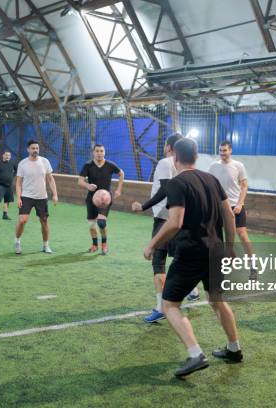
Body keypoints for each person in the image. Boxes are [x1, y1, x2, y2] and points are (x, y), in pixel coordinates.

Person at [144, 138, 243, 378]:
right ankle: (234, 349)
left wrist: (152, 245)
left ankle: (195, 353)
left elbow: (175, 222)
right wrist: (230, 246)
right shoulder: (212, 180)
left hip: (190, 252)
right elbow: (229, 215)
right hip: (216, 249)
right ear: (196, 157)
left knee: (170, 304)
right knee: (217, 300)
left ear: (175, 158)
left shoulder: (177, 183)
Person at [132, 134, 181, 323]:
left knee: (158, 263)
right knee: (179, 260)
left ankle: (161, 307)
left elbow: (165, 190)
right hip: (180, 219)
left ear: (168, 147)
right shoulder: (184, 165)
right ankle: (191, 292)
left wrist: (142, 206)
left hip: (163, 219)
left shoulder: (165, 162)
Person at [208, 141, 255, 275]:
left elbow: (244, 186)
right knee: (219, 237)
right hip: (219, 207)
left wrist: (240, 204)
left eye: (225, 150)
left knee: (242, 234)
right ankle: (230, 260)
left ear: (230, 151)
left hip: (235, 206)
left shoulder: (238, 166)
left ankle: (253, 266)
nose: (222, 153)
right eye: (220, 150)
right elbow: (210, 185)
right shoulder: (213, 166)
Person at [78, 144, 124, 255]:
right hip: (91, 199)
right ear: (93, 152)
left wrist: (118, 190)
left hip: (105, 199)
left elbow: (121, 173)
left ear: (104, 152)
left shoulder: (110, 165)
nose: (99, 153)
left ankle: (104, 244)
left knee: (102, 223)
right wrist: (88, 186)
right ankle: (94, 245)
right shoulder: (88, 165)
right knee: (91, 224)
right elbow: (80, 181)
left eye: (101, 151)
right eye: (97, 151)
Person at [14, 140, 59, 255]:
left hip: (42, 197)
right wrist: (18, 197)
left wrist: (55, 194)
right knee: (23, 220)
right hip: (26, 197)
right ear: (28, 150)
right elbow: (18, 183)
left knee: (44, 221)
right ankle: (17, 241)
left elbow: (50, 179)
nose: (35, 150)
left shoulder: (45, 161)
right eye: (33, 148)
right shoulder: (22, 164)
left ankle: (46, 245)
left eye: (37, 148)